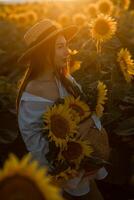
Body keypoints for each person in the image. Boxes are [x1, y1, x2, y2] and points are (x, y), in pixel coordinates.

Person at [16, 19, 108, 200]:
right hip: (60, 176)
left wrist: (88, 127)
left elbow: (91, 111)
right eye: (60, 47)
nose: (68, 52)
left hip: (84, 164)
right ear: (43, 53)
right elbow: (35, 144)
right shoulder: (33, 93)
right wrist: (68, 168)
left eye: (66, 45)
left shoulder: (66, 80)